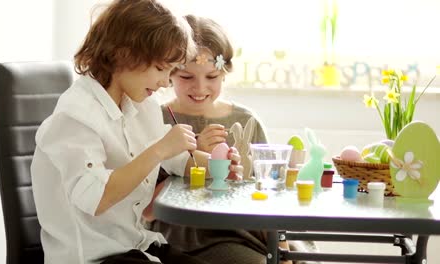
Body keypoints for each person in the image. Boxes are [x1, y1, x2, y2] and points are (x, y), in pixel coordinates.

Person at [30, 1, 244, 264]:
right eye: (161, 69)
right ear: (124, 54)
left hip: (136, 246)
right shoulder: (75, 117)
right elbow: (96, 199)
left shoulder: (141, 106)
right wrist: (160, 149)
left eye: (170, 71)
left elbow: (178, 160)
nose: (166, 82)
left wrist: (217, 166)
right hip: (93, 257)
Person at [142, 15, 318, 264]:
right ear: (169, 73)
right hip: (193, 235)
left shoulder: (246, 120)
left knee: (306, 256)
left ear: (225, 73)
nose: (200, 87)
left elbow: (268, 188)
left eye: (211, 77)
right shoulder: (156, 120)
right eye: (187, 77)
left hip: (252, 226)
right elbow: (146, 204)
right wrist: (195, 154)